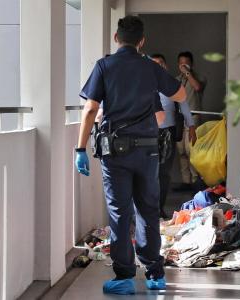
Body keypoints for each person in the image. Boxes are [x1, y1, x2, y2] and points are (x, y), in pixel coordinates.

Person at [75, 16, 186, 295]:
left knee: (120, 212)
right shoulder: (150, 66)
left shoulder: (104, 65)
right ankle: (155, 274)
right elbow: (181, 94)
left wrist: (80, 149)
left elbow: (90, 110)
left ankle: (124, 276)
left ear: (116, 37)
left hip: (116, 153)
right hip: (148, 150)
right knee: (148, 210)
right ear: (142, 41)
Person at [151, 54, 196, 219]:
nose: (158, 66)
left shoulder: (171, 83)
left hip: (168, 133)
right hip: (145, 134)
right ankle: (147, 210)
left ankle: (159, 208)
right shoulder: (141, 83)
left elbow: (184, 105)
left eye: (161, 63)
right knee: (147, 173)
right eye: (154, 64)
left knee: (163, 173)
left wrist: (191, 126)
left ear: (166, 66)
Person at [176, 51, 207, 190]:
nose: (183, 65)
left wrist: (188, 73)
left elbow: (197, 87)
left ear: (191, 64)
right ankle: (186, 182)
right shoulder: (177, 79)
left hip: (193, 118)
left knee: (191, 151)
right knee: (181, 151)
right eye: (181, 63)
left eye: (186, 63)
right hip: (179, 119)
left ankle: (196, 181)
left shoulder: (199, 77)